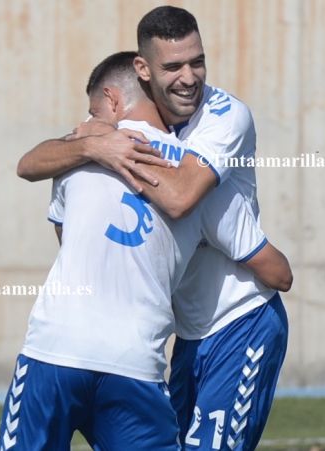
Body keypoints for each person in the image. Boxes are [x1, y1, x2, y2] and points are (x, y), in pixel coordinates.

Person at [16, 7, 290, 450]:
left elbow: (182, 198)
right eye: (173, 66)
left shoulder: (225, 116)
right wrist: (92, 143)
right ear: (142, 71)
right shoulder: (111, 140)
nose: (189, 77)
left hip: (240, 318)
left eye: (197, 62)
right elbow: (27, 164)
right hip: (187, 332)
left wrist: (109, 147)